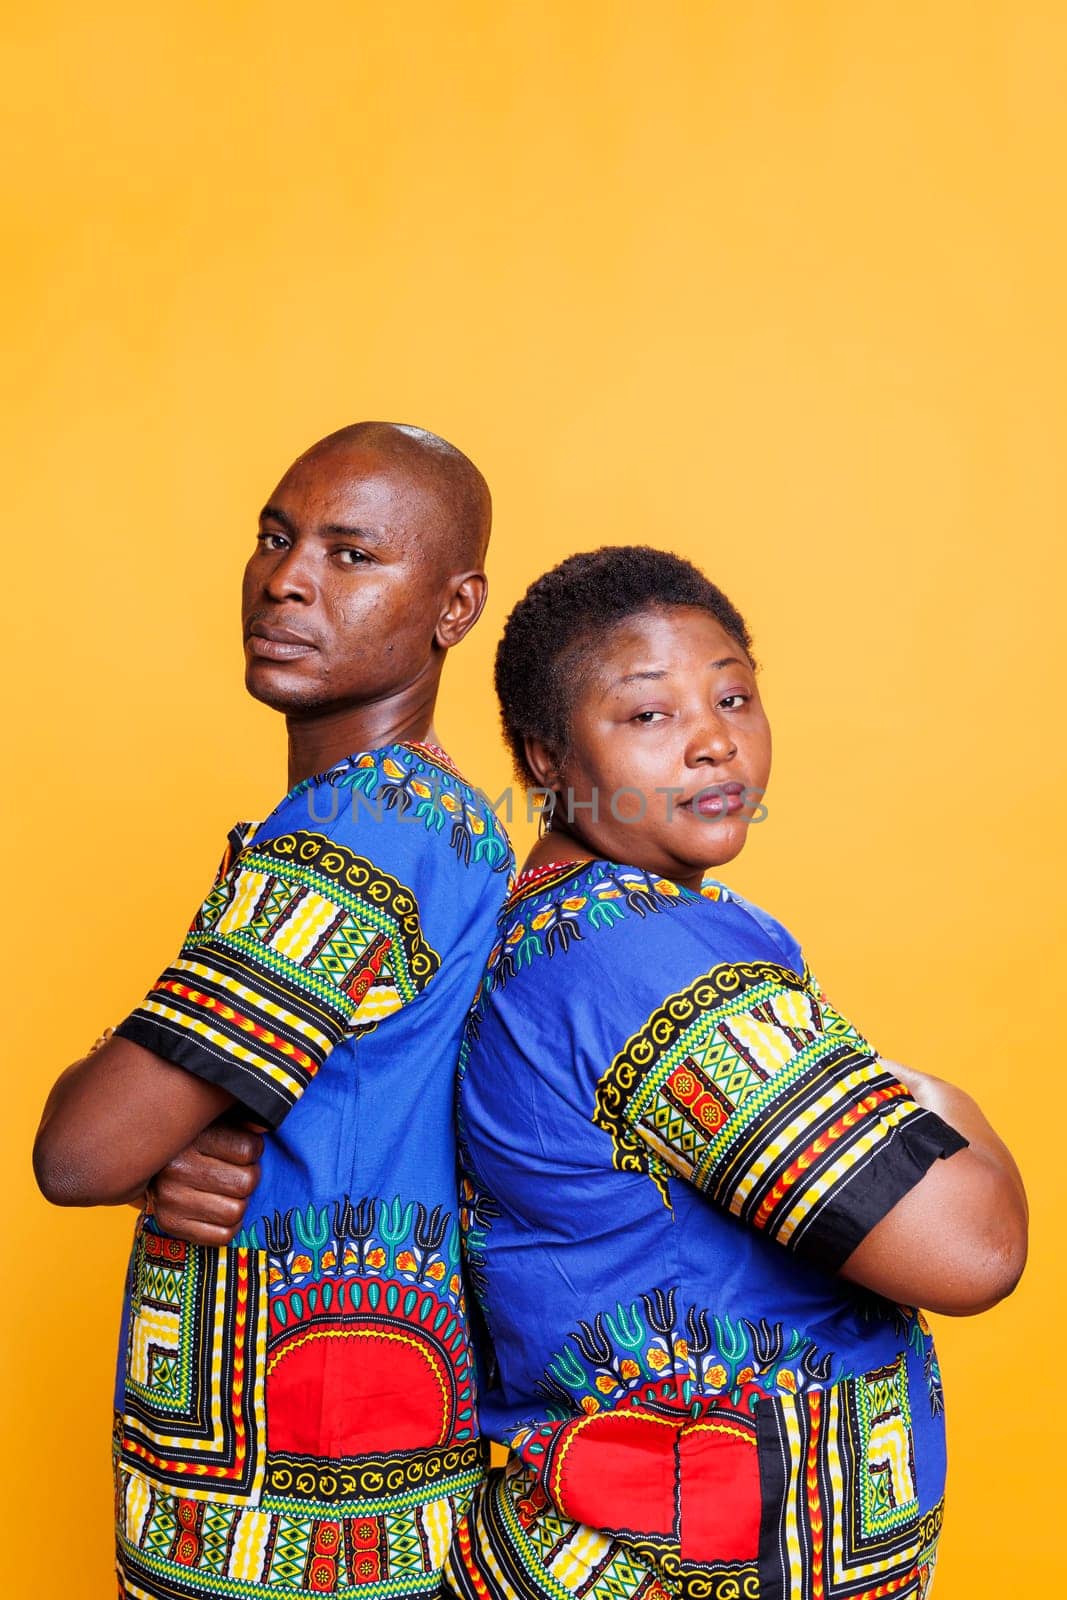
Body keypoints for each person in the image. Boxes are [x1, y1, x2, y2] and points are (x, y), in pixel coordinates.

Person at [441, 547, 1027, 1600]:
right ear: (544, 756)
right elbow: (971, 1248)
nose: (713, 740)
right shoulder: (633, 960)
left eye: (731, 695)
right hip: (658, 1564)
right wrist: (938, 1098)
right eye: (648, 715)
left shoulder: (568, 924)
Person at [33, 422, 514, 1600]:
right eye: (276, 536)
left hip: (293, 1487)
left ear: (454, 609)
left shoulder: (356, 834)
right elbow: (335, 1108)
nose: (287, 577)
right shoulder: (447, 817)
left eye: (353, 555)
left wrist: (141, 1121)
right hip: (362, 1459)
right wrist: (174, 1141)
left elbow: (78, 1146)